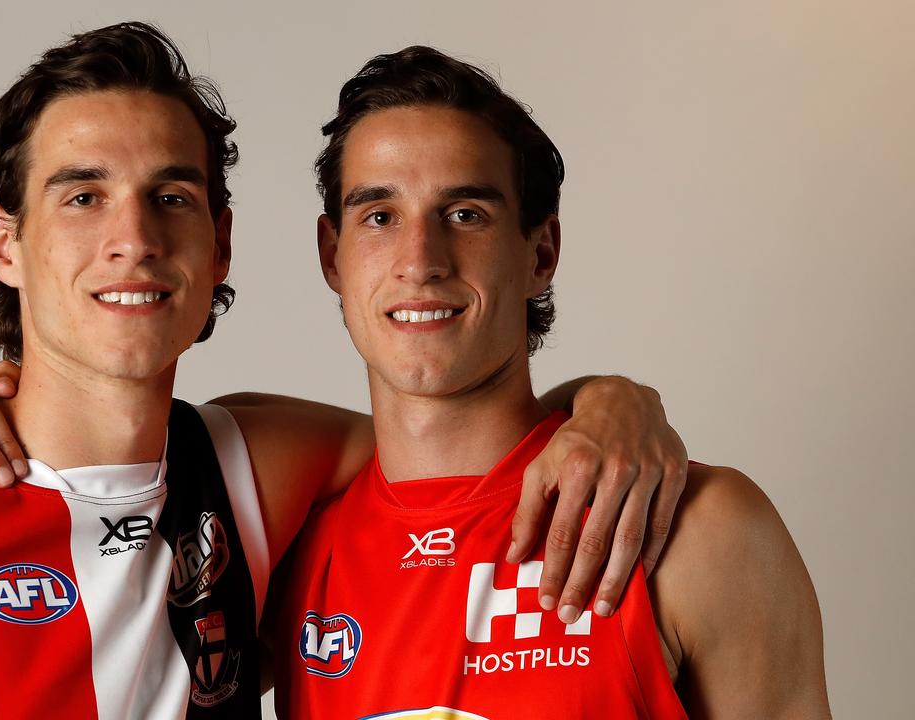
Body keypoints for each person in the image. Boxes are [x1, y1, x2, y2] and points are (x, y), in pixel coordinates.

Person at [0, 23, 685, 720]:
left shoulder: (254, 470)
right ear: (4, 242)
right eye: (83, 196)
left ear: (220, 244)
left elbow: (453, 419)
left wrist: (615, 407)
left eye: (169, 196)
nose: (132, 240)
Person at [266, 47, 831, 718]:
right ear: (333, 255)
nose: (420, 262)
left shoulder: (697, 529)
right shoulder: (284, 550)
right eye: (380, 216)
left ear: (541, 254)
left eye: (465, 214)